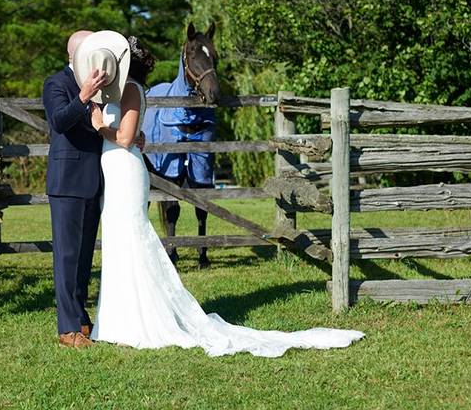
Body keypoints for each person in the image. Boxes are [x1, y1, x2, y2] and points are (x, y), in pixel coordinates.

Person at [85, 32, 365, 357]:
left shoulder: (131, 90)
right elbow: (134, 133)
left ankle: (140, 319)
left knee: (131, 240)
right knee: (121, 242)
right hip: (119, 173)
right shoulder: (123, 92)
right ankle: (121, 317)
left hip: (125, 170)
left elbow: (123, 137)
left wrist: (99, 127)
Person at [41, 29, 112, 349]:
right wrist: (82, 96)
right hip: (67, 180)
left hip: (93, 179)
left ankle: (81, 319)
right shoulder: (56, 83)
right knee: (67, 256)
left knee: (84, 257)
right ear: (75, 54)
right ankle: (67, 329)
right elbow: (59, 121)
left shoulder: (102, 87)